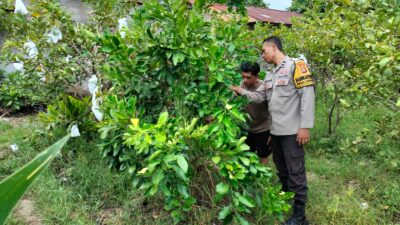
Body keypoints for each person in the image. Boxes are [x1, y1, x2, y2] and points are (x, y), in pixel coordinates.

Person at [230, 36, 315, 225]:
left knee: (296, 171)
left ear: (274, 48)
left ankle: (300, 217)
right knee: (282, 170)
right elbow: (261, 99)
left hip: (292, 132)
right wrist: (240, 91)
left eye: (264, 51)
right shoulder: (270, 74)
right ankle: (286, 203)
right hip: (276, 132)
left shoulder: (296, 66)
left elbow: (307, 95)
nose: (263, 55)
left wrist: (305, 127)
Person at [239, 61, 271, 164]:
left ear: (256, 76)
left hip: (263, 127)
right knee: (245, 154)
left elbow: (256, 98)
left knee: (263, 155)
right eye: (243, 76)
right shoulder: (241, 86)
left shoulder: (264, 87)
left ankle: (262, 179)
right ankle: (248, 178)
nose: (245, 80)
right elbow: (231, 103)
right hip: (247, 128)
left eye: (248, 77)